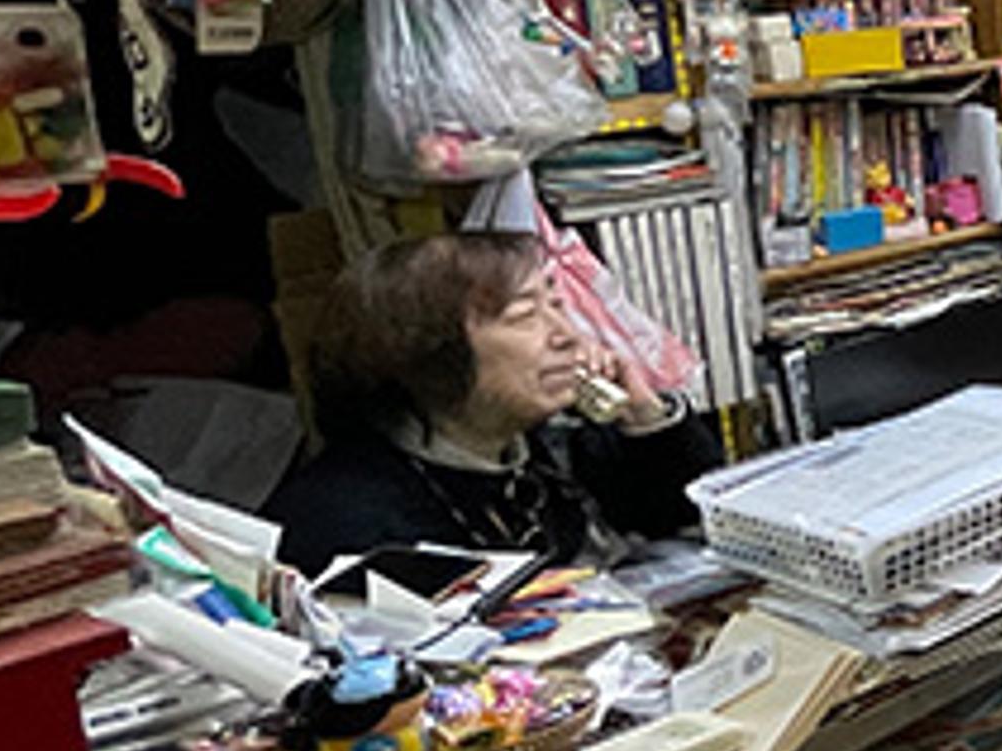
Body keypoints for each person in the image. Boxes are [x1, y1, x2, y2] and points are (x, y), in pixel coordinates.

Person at [272, 233, 717, 574]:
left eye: (557, 305)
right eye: (525, 316)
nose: (567, 336)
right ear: (430, 352)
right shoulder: (348, 522)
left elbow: (697, 518)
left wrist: (644, 416)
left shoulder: (546, 445)